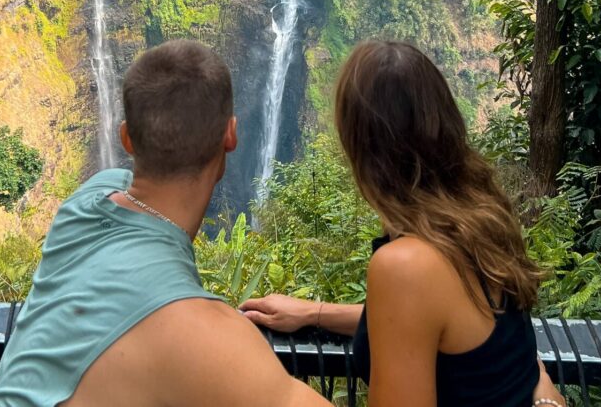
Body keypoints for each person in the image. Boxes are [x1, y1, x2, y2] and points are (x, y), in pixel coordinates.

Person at [0, 40, 328, 407]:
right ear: (231, 135)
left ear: (126, 138)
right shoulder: (205, 338)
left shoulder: (86, 202)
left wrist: (321, 313)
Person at [241, 40, 567, 407]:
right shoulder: (482, 216)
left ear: (358, 146)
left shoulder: (406, 264)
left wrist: (275, 390)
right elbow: (432, 326)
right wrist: (315, 313)